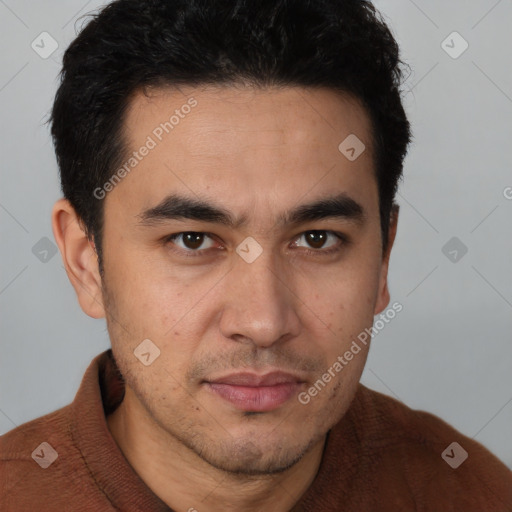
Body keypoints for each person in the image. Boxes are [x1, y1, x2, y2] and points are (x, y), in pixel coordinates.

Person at [1, 0, 511, 510]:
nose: (264, 322)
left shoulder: (474, 494)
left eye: (317, 239)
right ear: (85, 261)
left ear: (383, 259)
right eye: (193, 240)